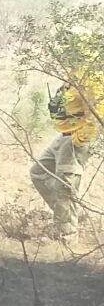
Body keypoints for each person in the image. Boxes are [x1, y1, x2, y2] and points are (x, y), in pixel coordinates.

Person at [31, 59, 102, 240]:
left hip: (74, 139)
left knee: (65, 186)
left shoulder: (92, 79)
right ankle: (71, 216)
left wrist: (79, 140)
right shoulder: (72, 75)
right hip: (63, 136)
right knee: (39, 172)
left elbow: (97, 114)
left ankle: (67, 235)